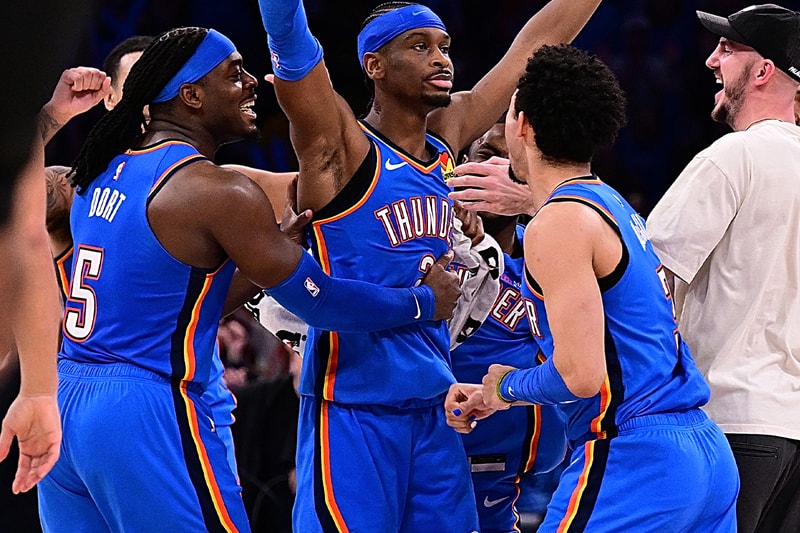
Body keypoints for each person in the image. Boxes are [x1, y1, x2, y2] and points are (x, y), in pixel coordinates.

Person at [35, 26, 460, 532]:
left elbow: (176, 305)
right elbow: (320, 302)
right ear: (192, 96)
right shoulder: (216, 190)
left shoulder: (90, 174)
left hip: (66, 402)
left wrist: (49, 116)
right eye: (234, 74)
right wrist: (421, 301)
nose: (252, 82)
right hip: (145, 408)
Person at [258, 0, 602, 530]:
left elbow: (531, 48)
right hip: (354, 408)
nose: (441, 58)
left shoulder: (447, 138)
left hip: (436, 407)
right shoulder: (341, 148)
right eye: (420, 47)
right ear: (374, 64)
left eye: (444, 47)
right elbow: (292, 45)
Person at [447, 44, 740, 531]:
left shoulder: (557, 223)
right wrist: (495, 393)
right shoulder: (611, 204)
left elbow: (581, 376)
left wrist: (505, 386)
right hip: (703, 453)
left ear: (524, 125)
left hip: (636, 457)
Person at [646, 5, 800, 532]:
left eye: (728, 49)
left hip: (727, 422)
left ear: (763, 71)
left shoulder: (734, 156)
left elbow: (641, 276)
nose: (712, 60)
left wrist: (551, 205)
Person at [450, 122, 566, 533]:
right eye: (485, 156)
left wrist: (537, 201)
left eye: (509, 162)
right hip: (450, 441)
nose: (496, 171)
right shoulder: (435, 246)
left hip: (535, 451)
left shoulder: (556, 243)